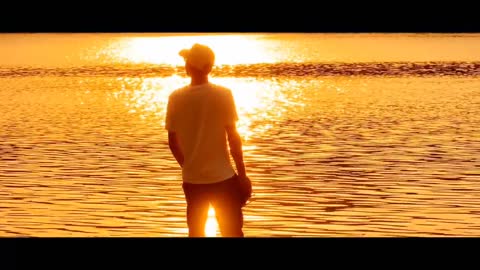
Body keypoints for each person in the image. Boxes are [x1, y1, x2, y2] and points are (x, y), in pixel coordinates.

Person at [165, 43, 251, 237]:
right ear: (210, 67)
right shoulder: (223, 94)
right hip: (223, 179)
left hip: (192, 181)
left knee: (196, 233)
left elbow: (172, 142)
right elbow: (234, 139)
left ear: (188, 67)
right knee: (232, 232)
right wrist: (243, 176)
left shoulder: (175, 98)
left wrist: (189, 167)